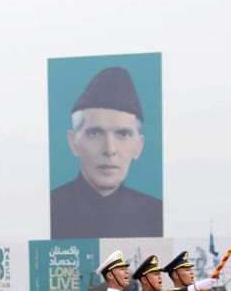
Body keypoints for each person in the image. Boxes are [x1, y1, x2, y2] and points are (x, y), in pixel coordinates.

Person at [50, 66, 163, 238]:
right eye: (95, 133)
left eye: (123, 134)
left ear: (139, 146)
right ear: (73, 142)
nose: (109, 150)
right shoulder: (48, 209)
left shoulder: (157, 215)